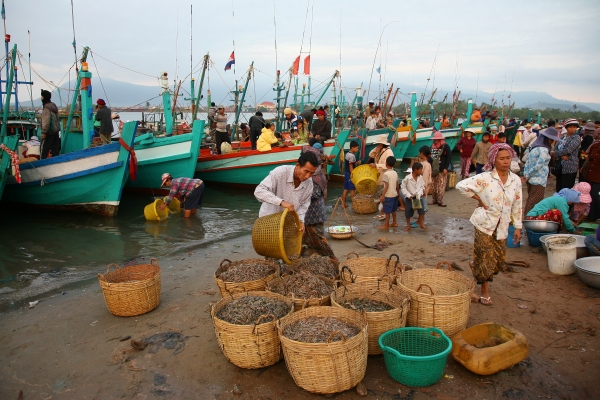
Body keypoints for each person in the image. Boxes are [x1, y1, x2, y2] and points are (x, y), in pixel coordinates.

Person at [456, 143, 523, 306]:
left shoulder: (515, 180)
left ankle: (477, 266)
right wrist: (478, 198)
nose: (506, 162)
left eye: (508, 158)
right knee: (486, 257)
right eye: (502, 159)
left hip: (503, 225)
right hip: (484, 223)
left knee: (499, 260)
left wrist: (518, 227)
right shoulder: (485, 178)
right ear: (494, 160)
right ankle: (484, 290)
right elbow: (461, 185)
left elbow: (518, 203)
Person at [254, 152, 319, 232]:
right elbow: (259, 191)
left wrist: (301, 221)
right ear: (298, 165)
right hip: (268, 221)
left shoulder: (309, 183)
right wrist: (281, 202)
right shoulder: (280, 172)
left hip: (288, 225)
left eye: (312, 173)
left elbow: (304, 204)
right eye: (306, 171)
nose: (307, 176)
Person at [522, 127, 560, 216]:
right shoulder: (544, 149)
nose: (552, 142)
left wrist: (527, 175)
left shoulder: (535, 147)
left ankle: (527, 217)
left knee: (530, 199)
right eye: (552, 140)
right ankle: (529, 219)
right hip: (538, 179)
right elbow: (538, 165)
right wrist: (527, 176)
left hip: (531, 179)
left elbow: (528, 163)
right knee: (535, 201)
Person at [369, 134, 395, 220]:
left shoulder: (389, 152)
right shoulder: (379, 150)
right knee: (380, 195)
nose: (378, 145)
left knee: (383, 195)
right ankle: (382, 212)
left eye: (379, 144)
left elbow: (387, 165)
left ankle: (383, 213)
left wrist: (376, 165)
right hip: (379, 176)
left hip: (385, 176)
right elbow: (371, 155)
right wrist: (376, 149)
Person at [553, 118, 581, 191]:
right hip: (560, 166)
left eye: (574, 127)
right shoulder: (563, 136)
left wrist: (557, 153)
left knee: (566, 189)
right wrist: (561, 155)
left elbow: (569, 150)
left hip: (570, 167)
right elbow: (555, 149)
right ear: (566, 128)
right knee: (559, 188)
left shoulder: (576, 138)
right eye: (570, 127)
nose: (572, 129)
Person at [581, 127, 600, 221]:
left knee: (596, 197)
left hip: (598, 177)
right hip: (589, 175)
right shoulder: (594, 146)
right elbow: (588, 159)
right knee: (588, 196)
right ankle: (587, 215)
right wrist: (583, 167)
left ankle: (595, 216)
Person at [401, 162, 426, 231]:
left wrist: (423, 191)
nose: (421, 171)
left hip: (418, 196)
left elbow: (422, 185)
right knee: (408, 211)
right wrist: (408, 195)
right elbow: (403, 187)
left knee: (421, 210)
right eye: (420, 170)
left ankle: (421, 223)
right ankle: (408, 225)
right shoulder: (407, 178)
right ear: (415, 170)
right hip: (410, 197)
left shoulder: (421, 178)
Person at [429, 130, 451, 207]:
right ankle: (434, 199)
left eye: (437, 139)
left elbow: (448, 157)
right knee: (434, 186)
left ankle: (440, 200)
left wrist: (446, 168)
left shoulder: (445, 146)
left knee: (441, 186)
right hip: (434, 169)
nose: (435, 141)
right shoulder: (432, 147)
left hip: (442, 169)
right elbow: (430, 157)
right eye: (435, 139)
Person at [379, 156, 399, 229]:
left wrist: (383, 195)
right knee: (393, 210)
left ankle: (386, 225)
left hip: (388, 195)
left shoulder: (386, 174)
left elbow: (386, 185)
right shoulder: (395, 173)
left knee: (387, 211)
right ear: (394, 164)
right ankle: (394, 222)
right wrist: (398, 193)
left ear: (386, 163)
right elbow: (397, 184)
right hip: (394, 194)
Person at [40, 89, 61, 159]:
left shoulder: (46, 108)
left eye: (42, 96)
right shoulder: (54, 106)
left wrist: (44, 132)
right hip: (56, 132)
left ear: (44, 97)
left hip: (49, 133)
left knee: (44, 150)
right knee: (55, 151)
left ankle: (42, 165)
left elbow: (46, 121)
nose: (41, 98)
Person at [342, 140, 360, 208]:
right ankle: (353, 204)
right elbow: (351, 166)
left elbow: (350, 164)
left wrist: (357, 163)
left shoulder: (347, 154)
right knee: (352, 189)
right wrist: (352, 175)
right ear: (352, 148)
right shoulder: (352, 156)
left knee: (346, 189)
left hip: (346, 173)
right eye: (356, 148)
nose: (357, 149)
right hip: (350, 174)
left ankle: (343, 204)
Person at [418, 146, 432, 210]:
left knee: (423, 198)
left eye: (419, 153)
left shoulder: (426, 164)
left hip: (423, 184)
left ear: (422, 154)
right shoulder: (424, 163)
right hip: (423, 184)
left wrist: (424, 186)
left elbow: (425, 177)